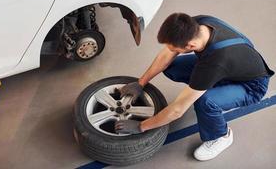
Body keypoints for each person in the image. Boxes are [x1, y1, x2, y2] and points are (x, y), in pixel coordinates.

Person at [114, 13, 274, 161]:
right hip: (230, 69)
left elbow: (177, 110)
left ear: (190, 46)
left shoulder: (215, 63)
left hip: (251, 86)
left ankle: (221, 136)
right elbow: (165, 55)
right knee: (170, 66)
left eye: (175, 49)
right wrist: (141, 82)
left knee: (206, 101)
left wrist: (142, 126)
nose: (170, 51)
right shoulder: (197, 24)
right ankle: (204, 86)